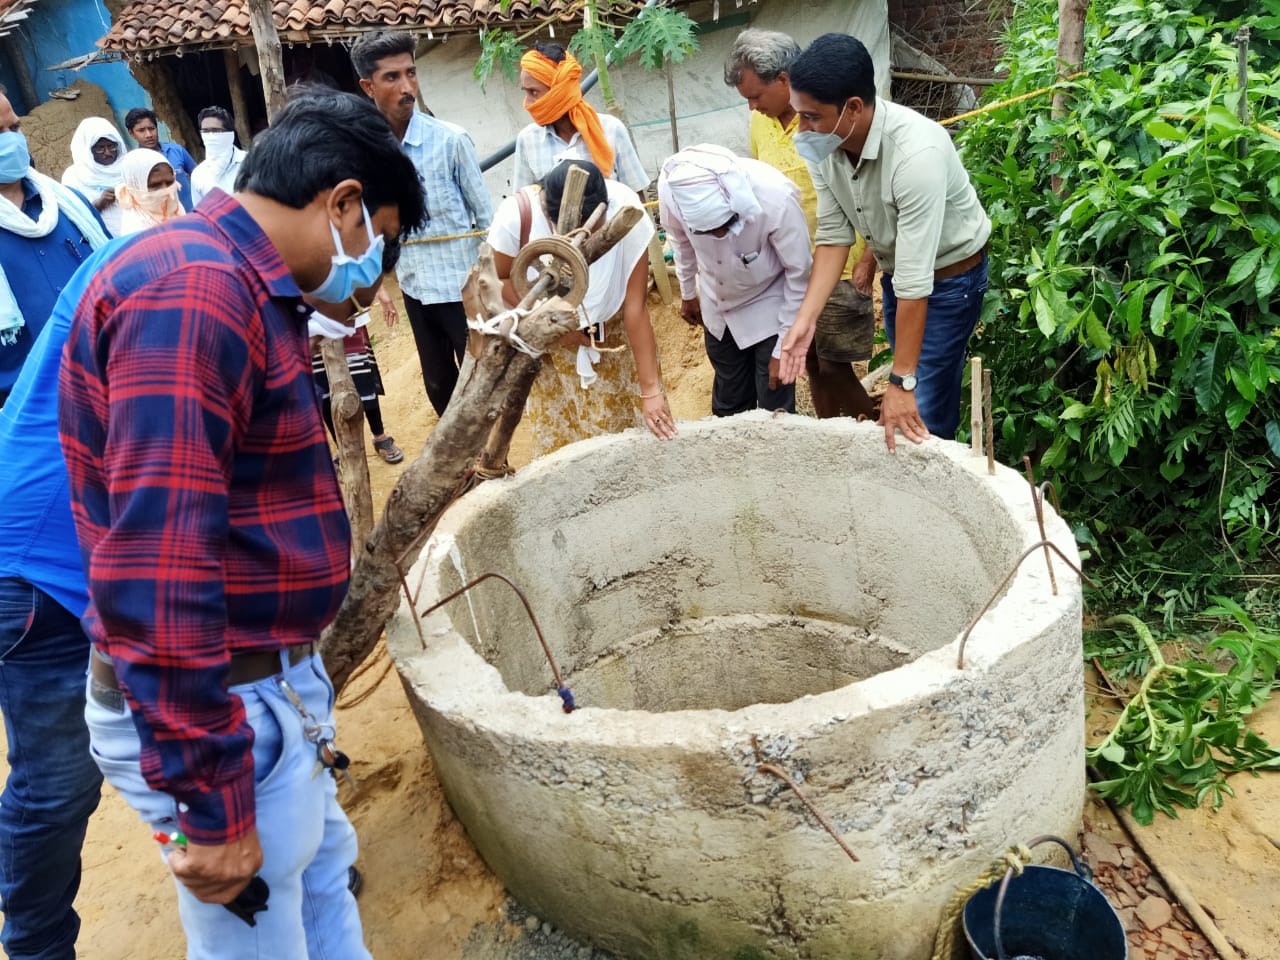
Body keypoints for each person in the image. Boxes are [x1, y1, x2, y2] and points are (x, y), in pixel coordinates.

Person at [57, 88, 426, 958]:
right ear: (340, 205)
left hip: (265, 690)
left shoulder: (230, 286)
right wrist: (210, 803)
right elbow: (159, 568)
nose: (374, 273)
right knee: (254, 937)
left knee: (324, 878)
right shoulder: (196, 296)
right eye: (379, 238)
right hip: (223, 701)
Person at [0, 237, 129, 960]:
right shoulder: (186, 288)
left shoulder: (159, 256)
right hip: (41, 571)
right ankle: (37, 946)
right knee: (57, 785)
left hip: (66, 540)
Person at [780, 33, 991, 451]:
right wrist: (805, 320)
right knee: (912, 388)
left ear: (853, 108)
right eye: (797, 115)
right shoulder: (826, 147)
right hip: (898, 275)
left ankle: (937, 484)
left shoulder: (916, 155)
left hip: (952, 279)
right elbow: (835, 234)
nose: (800, 130)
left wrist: (902, 381)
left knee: (918, 405)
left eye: (811, 117)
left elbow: (918, 281)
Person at [725, 28, 876, 420]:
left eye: (756, 96)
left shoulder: (830, 117)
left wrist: (867, 263)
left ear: (783, 80)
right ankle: (826, 439)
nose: (752, 108)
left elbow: (872, 191)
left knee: (834, 366)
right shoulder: (760, 124)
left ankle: (880, 430)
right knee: (807, 362)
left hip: (840, 266)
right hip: (789, 271)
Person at [488, 159, 675, 457]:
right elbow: (497, 280)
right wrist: (556, 329)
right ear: (549, 216)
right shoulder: (517, 217)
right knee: (565, 447)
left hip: (612, 340)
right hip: (550, 346)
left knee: (629, 442)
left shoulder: (625, 212)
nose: (584, 238)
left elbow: (635, 306)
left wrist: (650, 390)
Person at [350, 30, 493, 418]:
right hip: (414, 289)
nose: (407, 86)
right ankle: (459, 469)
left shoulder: (451, 141)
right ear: (368, 86)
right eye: (392, 77)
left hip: (463, 290)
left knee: (480, 385)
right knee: (438, 386)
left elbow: (486, 222)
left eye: (411, 73)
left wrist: (495, 289)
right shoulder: (368, 151)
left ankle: (495, 464)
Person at [658, 144, 809, 417]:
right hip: (717, 307)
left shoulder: (775, 198)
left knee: (774, 409)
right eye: (707, 231)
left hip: (769, 306)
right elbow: (680, 241)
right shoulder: (671, 190)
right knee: (729, 404)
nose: (717, 235)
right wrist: (689, 292)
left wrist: (783, 348)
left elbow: (799, 275)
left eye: (725, 226)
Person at [0, 88, 108, 409]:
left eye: (14, 128)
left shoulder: (68, 204)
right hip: (24, 411)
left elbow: (115, 273)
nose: (10, 141)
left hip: (108, 384)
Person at [514, 43, 649, 192]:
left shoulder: (612, 130)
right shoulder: (527, 141)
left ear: (560, 91)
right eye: (525, 92)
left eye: (533, 92)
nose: (527, 103)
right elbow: (523, 205)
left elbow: (637, 199)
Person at [311, 322, 405, 465]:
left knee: (362, 376)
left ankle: (379, 436)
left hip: (343, 310)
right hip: (308, 322)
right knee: (324, 386)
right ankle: (343, 448)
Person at [60, 116, 126, 235]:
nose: (108, 152)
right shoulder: (73, 177)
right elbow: (73, 217)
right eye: (100, 148)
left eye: (111, 146)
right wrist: (98, 204)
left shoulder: (130, 166)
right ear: (87, 149)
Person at [124, 106, 197, 211]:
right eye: (141, 130)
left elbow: (198, 175)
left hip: (192, 214)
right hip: (164, 221)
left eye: (151, 129)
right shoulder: (134, 164)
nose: (148, 135)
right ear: (132, 133)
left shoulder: (176, 150)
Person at [114, 148, 185, 235]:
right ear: (135, 187)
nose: (166, 191)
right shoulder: (136, 232)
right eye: (155, 186)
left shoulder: (175, 207)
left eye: (169, 182)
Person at [190, 105, 246, 207]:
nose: (211, 136)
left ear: (230, 134)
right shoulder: (198, 175)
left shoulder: (250, 163)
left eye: (216, 131)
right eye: (206, 131)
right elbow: (201, 213)